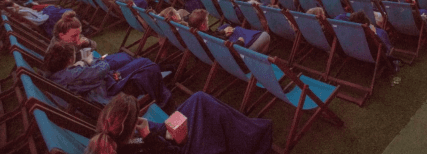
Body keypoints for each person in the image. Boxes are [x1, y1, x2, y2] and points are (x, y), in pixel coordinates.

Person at [84, 91, 272, 154]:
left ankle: (244, 131)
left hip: (164, 140)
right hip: (178, 148)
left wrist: (151, 134)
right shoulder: (127, 146)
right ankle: (249, 136)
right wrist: (179, 140)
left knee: (198, 100)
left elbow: (142, 143)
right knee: (207, 109)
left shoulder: (113, 141)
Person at [45, 42, 171, 107]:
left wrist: (90, 63)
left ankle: (160, 72)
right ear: (69, 60)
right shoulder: (70, 76)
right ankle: (162, 99)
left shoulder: (58, 76)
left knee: (139, 63)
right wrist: (94, 62)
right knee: (148, 67)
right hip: (107, 95)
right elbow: (101, 70)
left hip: (102, 86)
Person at [187, 9, 271, 54]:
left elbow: (215, 36)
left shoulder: (199, 36)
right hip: (240, 59)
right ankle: (259, 59)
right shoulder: (210, 39)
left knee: (235, 29)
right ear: (202, 25)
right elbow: (232, 50)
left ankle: (259, 56)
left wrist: (223, 33)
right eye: (207, 20)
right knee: (265, 35)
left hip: (224, 58)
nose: (208, 22)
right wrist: (240, 41)